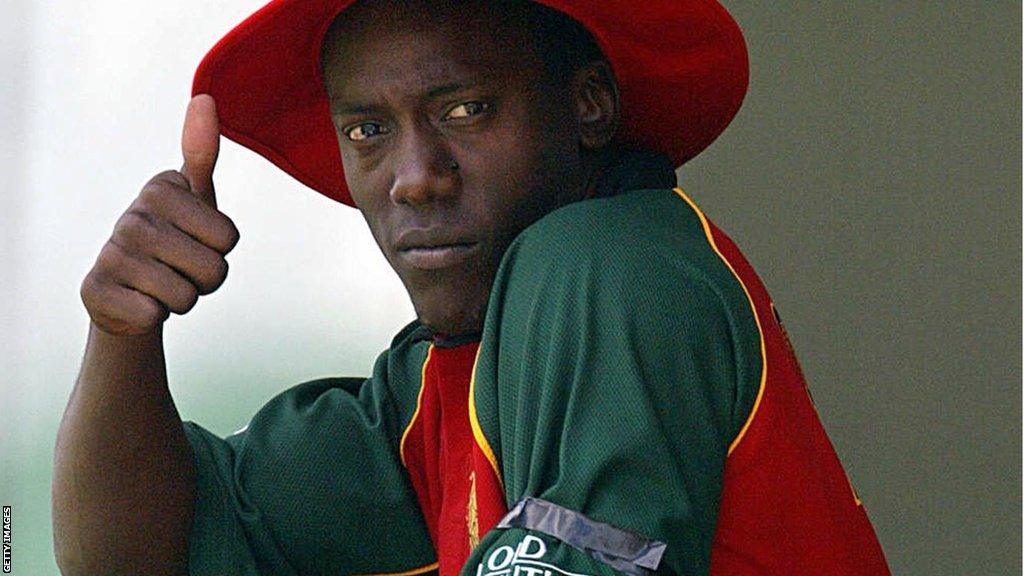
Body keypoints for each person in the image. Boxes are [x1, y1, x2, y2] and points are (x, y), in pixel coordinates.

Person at [52, 1, 891, 575]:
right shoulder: (430, 390)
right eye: (369, 130)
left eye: (465, 110)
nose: (414, 179)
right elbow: (134, 555)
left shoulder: (610, 261)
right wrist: (122, 335)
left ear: (590, 105)